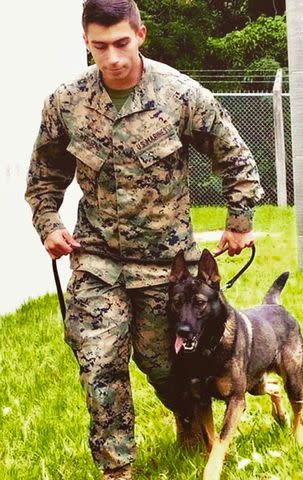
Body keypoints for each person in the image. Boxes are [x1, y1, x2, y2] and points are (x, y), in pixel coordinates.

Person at [25, 0, 263, 478]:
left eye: (121, 43)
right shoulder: (66, 102)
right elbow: (44, 177)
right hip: (96, 262)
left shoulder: (180, 94)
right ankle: (118, 469)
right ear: (86, 42)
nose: (112, 57)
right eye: (99, 46)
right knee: (99, 364)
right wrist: (49, 225)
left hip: (165, 267)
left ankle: (187, 417)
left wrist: (238, 221)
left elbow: (235, 158)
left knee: (166, 368)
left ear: (140, 34)